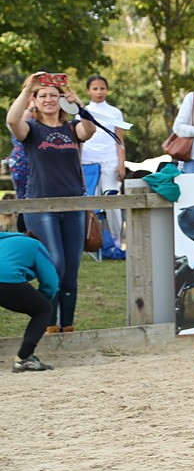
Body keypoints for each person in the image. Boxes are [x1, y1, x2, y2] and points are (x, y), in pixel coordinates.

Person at [5, 72, 95, 334]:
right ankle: (47, 321)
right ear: (35, 100)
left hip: (73, 206)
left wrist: (78, 103)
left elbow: (89, 128)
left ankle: (67, 324)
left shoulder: (71, 129)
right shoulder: (31, 130)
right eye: (42, 96)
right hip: (41, 206)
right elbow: (12, 120)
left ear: (61, 100)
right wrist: (27, 90)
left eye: (53, 95)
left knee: (71, 269)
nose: (48, 100)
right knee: (55, 263)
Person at [79, 75, 130, 249]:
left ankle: (116, 239)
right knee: (91, 201)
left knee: (112, 201)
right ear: (88, 91)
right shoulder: (83, 111)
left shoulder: (115, 112)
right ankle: (92, 239)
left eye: (102, 88)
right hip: (88, 160)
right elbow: (79, 139)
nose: (99, 92)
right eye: (95, 89)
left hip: (110, 160)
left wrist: (121, 163)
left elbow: (119, 139)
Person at [0, 229, 60, 371]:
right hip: (6, 278)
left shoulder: (4, 240)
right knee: (43, 310)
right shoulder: (36, 245)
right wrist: (42, 299)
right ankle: (24, 358)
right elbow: (51, 282)